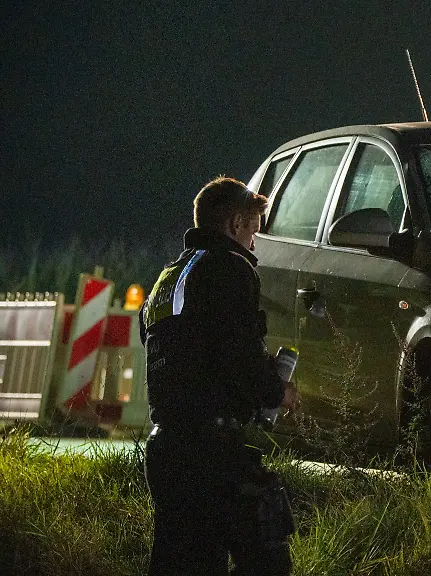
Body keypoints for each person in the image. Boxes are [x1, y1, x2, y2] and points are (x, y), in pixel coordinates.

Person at [141, 176, 300, 575]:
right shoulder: (228, 267)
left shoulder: (169, 278)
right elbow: (239, 351)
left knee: (180, 563)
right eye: (253, 231)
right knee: (266, 557)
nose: (254, 244)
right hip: (209, 451)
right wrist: (277, 391)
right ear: (235, 224)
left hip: (165, 447)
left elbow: (176, 347)